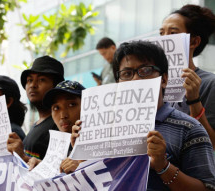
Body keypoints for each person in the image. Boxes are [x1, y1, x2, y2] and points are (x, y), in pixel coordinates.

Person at [72, 41, 215, 190]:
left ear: (164, 79)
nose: (136, 79)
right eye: (127, 74)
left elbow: (206, 188)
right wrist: (83, 153)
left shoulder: (189, 128)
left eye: (145, 71)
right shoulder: (104, 128)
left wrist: (163, 166)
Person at [160, 4, 215, 148]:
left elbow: (212, 144)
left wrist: (194, 101)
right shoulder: (154, 83)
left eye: (172, 33)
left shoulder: (209, 83)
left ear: (194, 42)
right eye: (161, 33)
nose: (164, 40)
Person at [7, 55, 64, 162]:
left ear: (56, 87)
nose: (33, 85)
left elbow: (58, 171)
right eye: (29, 80)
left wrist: (23, 157)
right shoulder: (37, 124)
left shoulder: (61, 125)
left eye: (41, 80)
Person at [28, 80, 85, 173]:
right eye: (56, 108)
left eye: (71, 104)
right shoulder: (58, 146)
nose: (63, 115)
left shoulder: (101, 142)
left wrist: (83, 166)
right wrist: (42, 167)